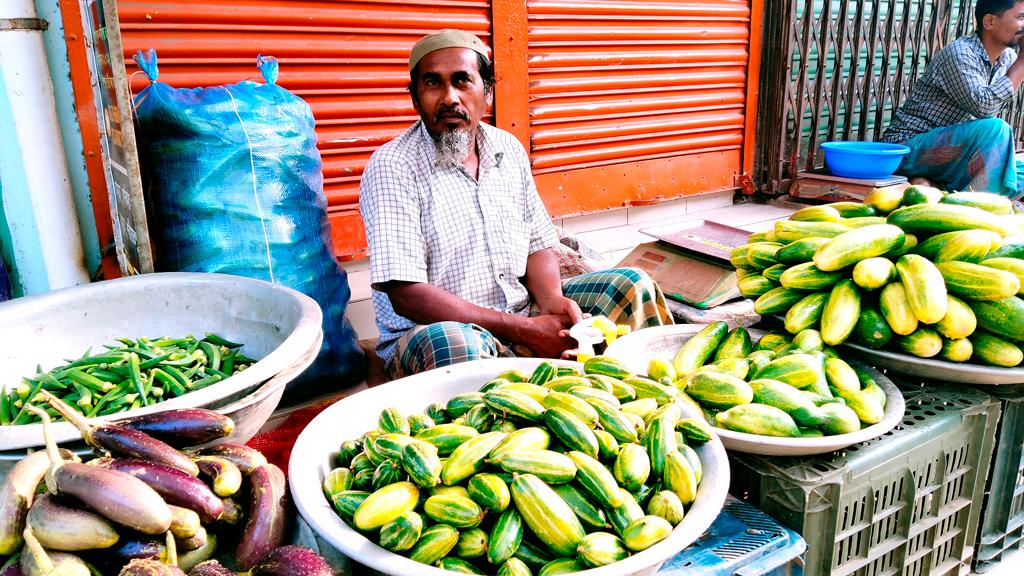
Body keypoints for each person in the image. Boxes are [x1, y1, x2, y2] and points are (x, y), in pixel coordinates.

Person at [359, 29, 673, 378]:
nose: (450, 97)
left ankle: (650, 398)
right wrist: (523, 330)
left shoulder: (507, 149)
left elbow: (537, 244)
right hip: (436, 332)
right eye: (433, 84)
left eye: (463, 81)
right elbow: (406, 295)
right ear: (416, 99)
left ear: (487, 91)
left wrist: (552, 301)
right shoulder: (394, 165)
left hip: (522, 313)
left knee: (630, 285)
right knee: (453, 343)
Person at [880, 0, 1024, 198]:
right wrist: (1023, 62)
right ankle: (977, 206)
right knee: (996, 129)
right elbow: (984, 108)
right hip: (908, 148)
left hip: (956, 154)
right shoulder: (960, 53)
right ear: (989, 21)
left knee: (1016, 172)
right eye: (1021, 17)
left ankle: (936, 187)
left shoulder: (1007, 58)